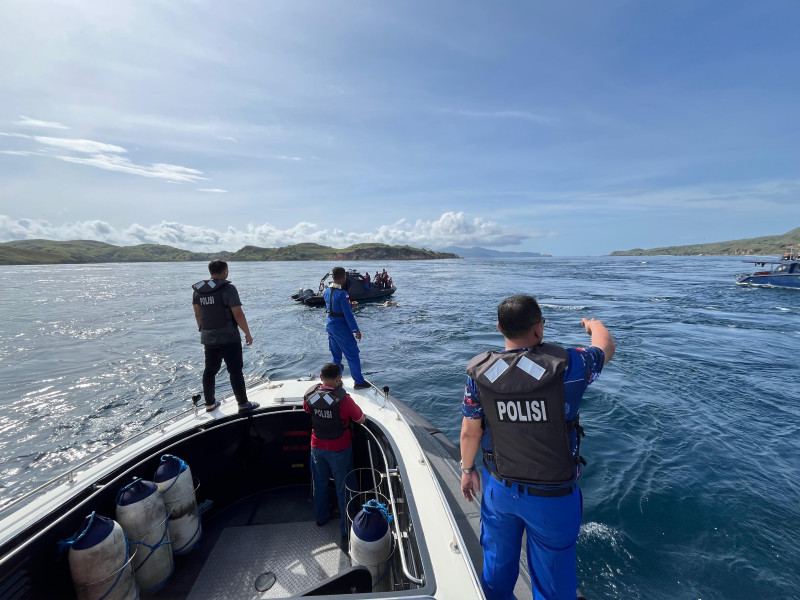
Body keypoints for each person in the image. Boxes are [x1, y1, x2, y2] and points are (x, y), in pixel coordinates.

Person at [460, 294, 615, 600]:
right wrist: (593, 324)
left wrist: (467, 470)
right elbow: (605, 347)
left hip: (499, 490)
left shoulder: (478, 375)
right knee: (554, 583)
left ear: (500, 327)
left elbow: (469, 432)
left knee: (496, 568)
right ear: (538, 328)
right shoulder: (570, 367)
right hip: (553, 498)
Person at [303, 362, 366, 537]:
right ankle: (347, 527)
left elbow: (307, 409)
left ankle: (321, 517)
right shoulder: (344, 399)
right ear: (339, 379)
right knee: (343, 488)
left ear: (321, 377)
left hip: (317, 447)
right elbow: (360, 419)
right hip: (340, 449)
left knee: (320, 484)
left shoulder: (311, 396)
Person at [192, 260, 260, 413]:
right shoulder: (228, 288)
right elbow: (238, 314)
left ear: (210, 272)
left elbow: (198, 314)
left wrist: (204, 332)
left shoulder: (198, 291)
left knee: (210, 370)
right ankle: (243, 403)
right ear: (225, 271)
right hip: (229, 337)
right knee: (235, 370)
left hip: (208, 338)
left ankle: (209, 403)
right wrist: (247, 334)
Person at [324, 266, 370, 389]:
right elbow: (348, 315)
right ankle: (359, 382)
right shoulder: (343, 293)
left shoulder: (326, 291)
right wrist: (356, 330)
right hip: (341, 327)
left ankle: (336, 381)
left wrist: (349, 305)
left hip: (330, 325)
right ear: (343, 277)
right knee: (352, 354)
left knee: (336, 355)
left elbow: (333, 308)